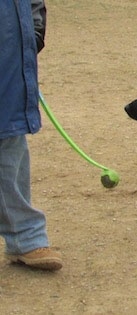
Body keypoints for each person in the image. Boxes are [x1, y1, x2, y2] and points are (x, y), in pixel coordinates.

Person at [0, 0, 62, 271]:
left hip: (10, 59)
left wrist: (32, 36)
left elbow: (34, 4)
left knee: (10, 144)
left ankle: (25, 238)